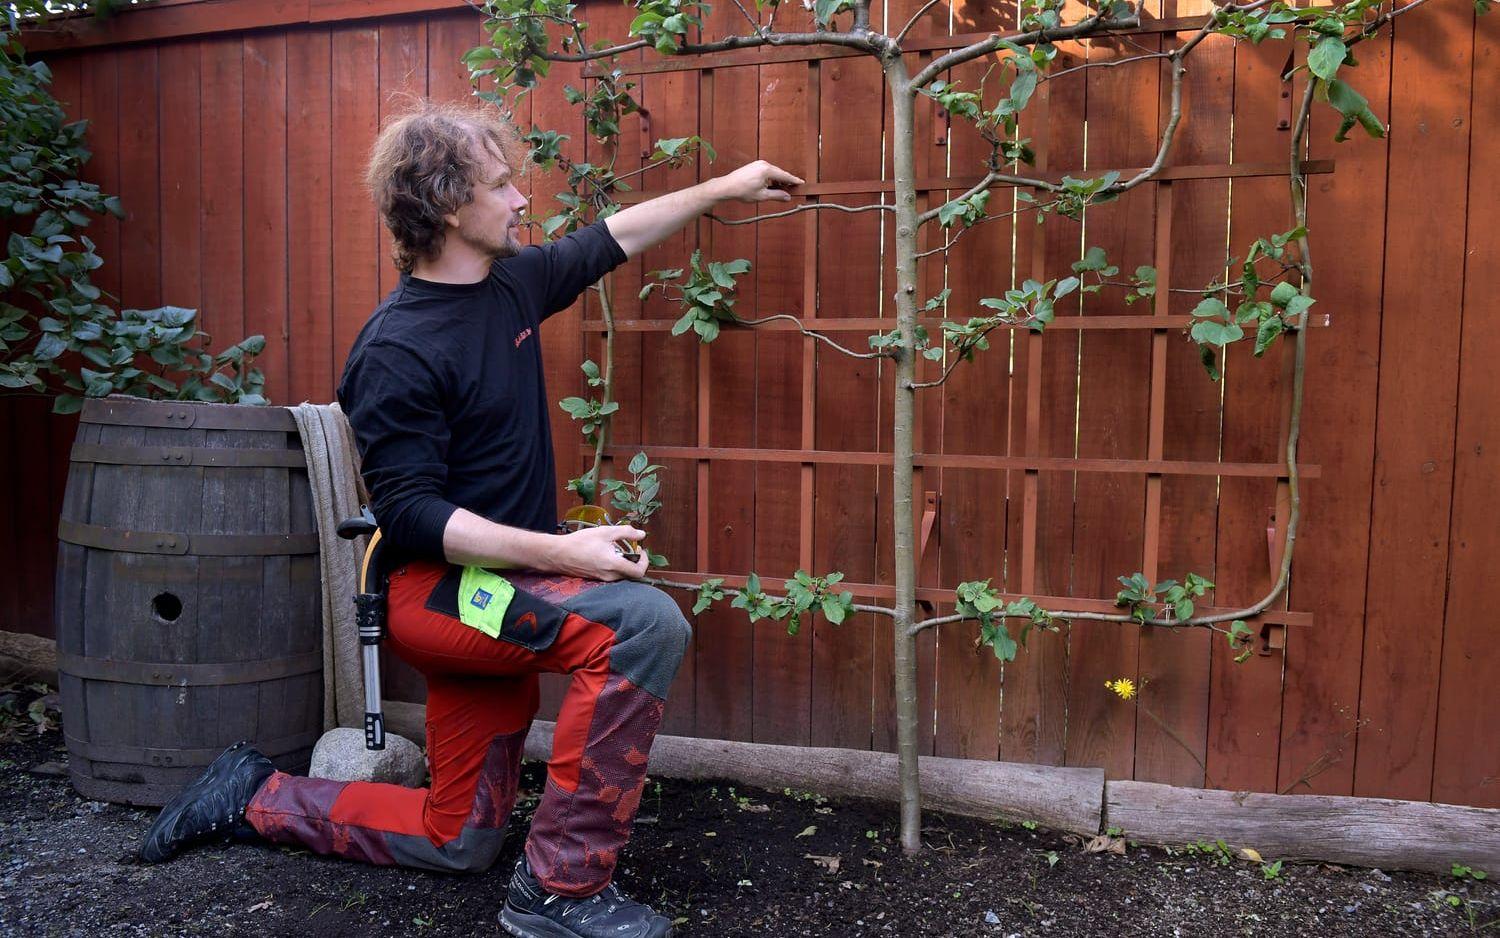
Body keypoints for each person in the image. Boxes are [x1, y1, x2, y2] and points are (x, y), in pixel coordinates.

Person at [137, 100, 803, 938]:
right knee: (642, 625)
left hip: (503, 589)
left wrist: (725, 185)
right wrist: (571, 554)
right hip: (443, 596)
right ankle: (561, 890)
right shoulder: (398, 349)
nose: (523, 199)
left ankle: (254, 798)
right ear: (450, 208)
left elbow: (610, 238)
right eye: (502, 185)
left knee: (459, 840)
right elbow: (409, 515)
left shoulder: (510, 284)